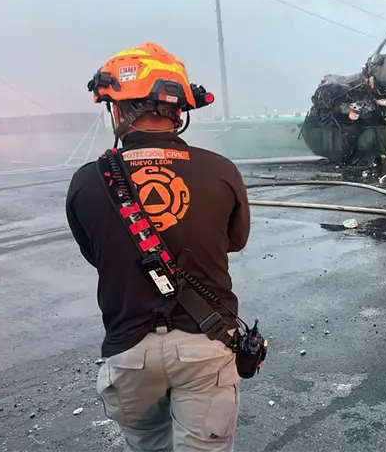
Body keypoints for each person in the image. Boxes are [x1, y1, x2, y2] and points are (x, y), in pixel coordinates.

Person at [65, 42, 250, 452]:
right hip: (206, 344)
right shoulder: (221, 170)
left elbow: (96, 254)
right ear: (178, 110)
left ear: (118, 109)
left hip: (130, 352)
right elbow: (235, 241)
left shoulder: (86, 181)